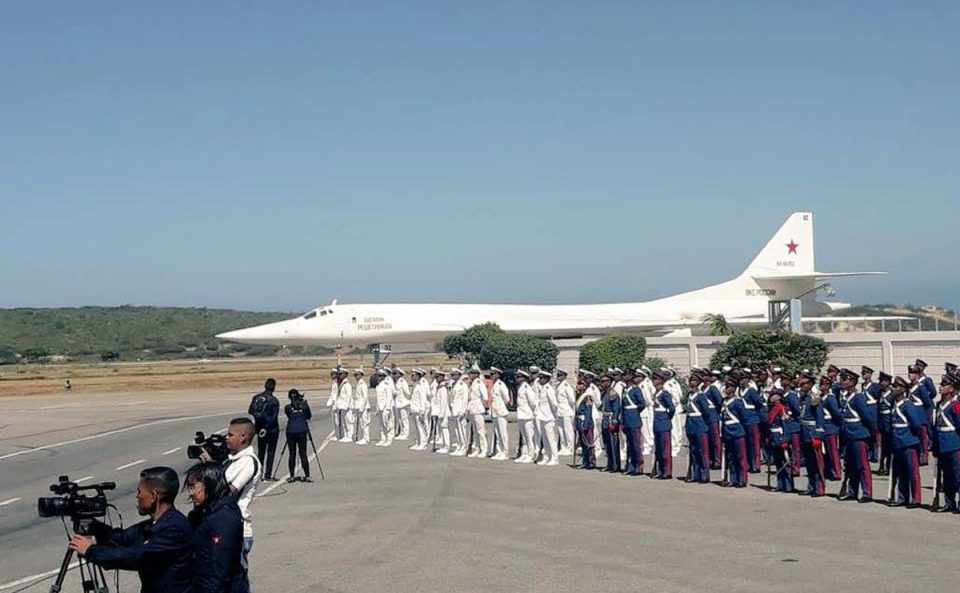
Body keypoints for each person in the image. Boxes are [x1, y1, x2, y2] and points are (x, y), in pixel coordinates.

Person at [69, 467, 192, 593]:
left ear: (154, 496)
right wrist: (93, 525)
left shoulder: (175, 529)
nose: (137, 497)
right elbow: (122, 538)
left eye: (139, 492)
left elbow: (137, 557)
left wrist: (90, 551)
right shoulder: (153, 524)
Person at [183, 462, 249, 593]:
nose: (190, 493)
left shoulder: (224, 518)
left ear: (209, 484)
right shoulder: (202, 513)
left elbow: (220, 569)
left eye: (193, 487)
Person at [223, 418, 260, 568]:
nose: (227, 438)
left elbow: (229, 492)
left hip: (237, 530)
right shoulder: (234, 460)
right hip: (226, 526)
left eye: (230, 435)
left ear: (243, 437)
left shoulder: (248, 462)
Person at [838, 368, 876, 502]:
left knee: (862, 465)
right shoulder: (847, 397)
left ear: (852, 382)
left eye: (844, 379)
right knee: (851, 465)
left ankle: (867, 493)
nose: (841, 382)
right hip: (849, 435)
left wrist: (871, 435)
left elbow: (867, 417)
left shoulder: (858, 397)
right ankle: (852, 491)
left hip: (859, 435)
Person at [890, 376, 926, 507]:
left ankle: (916, 499)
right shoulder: (894, 404)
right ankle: (902, 498)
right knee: (900, 472)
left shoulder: (908, 404)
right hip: (897, 442)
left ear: (903, 389)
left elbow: (916, 424)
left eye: (896, 386)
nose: (894, 388)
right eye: (893, 386)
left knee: (912, 472)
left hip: (908, 442)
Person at [932, 372, 960, 513]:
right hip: (942, 445)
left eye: (944, 384)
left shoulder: (956, 405)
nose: (941, 387)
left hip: (954, 445)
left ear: (952, 388)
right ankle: (949, 503)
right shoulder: (939, 405)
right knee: (947, 477)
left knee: (958, 475)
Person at [248, 378, 280, 481]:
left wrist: (259, 421)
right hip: (271, 430)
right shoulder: (274, 400)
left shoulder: (256, 397)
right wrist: (266, 427)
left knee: (261, 451)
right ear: (274, 387)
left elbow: (250, 410)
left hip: (260, 428)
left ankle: (259, 474)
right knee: (270, 452)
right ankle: (267, 475)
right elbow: (273, 418)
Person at [720, 379, 748, 488]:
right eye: (726, 387)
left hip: (737, 431)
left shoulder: (738, 402)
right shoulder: (724, 401)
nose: (726, 389)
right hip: (727, 431)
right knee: (730, 457)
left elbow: (744, 417)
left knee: (740, 456)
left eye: (729, 387)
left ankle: (742, 479)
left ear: (734, 389)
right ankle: (733, 478)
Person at [766, 389, 794, 493]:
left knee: (785, 462)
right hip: (774, 437)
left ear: (779, 397)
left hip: (781, 436)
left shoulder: (782, 409)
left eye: (773, 395)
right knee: (778, 462)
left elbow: (786, 425)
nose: (771, 397)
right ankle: (780, 484)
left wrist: (785, 440)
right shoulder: (772, 409)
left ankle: (788, 485)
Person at [685, 374, 710, 483]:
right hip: (691, 426)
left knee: (702, 452)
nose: (692, 383)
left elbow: (706, 412)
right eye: (691, 380)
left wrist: (702, 424)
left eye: (694, 381)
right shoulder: (689, 395)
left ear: (699, 383)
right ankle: (695, 474)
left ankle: (704, 475)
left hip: (699, 425)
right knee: (693, 452)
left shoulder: (701, 396)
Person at [620, 370, 647, 476]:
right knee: (629, 445)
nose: (625, 377)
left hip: (634, 420)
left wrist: (634, 412)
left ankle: (638, 467)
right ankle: (630, 466)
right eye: (624, 375)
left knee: (636, 445)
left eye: (627, 375)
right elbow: (622, 406)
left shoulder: (636, 389)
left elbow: (642, 404)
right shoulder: (624, 389)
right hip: (626, 419)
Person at [284, 389, 313, 482]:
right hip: (301, 430)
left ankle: (292, 476)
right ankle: (307, 475)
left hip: (291, 431)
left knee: (292, 454)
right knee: (303, 453)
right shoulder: (304, 405)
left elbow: (289, 416)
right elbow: (308, 416)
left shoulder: (288, 407)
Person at [738, 371, 764, 473]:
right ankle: (748, 464)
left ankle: (756, 465)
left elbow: (759, 403)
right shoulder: (739, 391)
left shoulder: (751, 390)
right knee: (746, 443)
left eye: (743, 379)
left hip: (752, 419)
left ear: (748, 380)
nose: (741, 381)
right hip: (743, 420)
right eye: (740, 379)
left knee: (754, 443)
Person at [819, 374, 844, 481]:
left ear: (828, 386)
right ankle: (828, 471)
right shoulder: (821, 397)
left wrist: (836, 425)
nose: (821, 386)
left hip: (830, 426)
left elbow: (836, 414)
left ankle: (837, 472)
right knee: (825, 452)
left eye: (823, 384)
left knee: (833, 451)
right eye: (821, 384)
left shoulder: (830, 398)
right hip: (823, 427)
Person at [652, 370, 675, 479]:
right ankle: (660, 470)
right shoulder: (655, 394)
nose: (654, 381)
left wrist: (667, 418)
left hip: (664, 423)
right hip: (657, 423)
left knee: (665, 449)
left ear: (661, 381)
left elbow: (671, 408)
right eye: (653, 379)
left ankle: (667, 471)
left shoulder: (665, 394)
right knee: (659, 449)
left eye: (656, 379)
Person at [600, 375, 622, 473]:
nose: (603, 383)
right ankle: (609, 464)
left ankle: (615, 466)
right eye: (602, 381)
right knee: (607, 444)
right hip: (605, 419)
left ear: (610, 382)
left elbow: (616, 408)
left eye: (605, 381)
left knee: (613, 444)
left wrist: (614, 420)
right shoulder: (605, 393)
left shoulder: (613, 393)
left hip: (610, 419)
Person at [514, 370, 537, 463]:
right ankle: (524, 454)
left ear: (524, 378)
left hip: (527, 415)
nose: (517, 378)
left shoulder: (527, 387)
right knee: (524, 437)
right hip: (521, 415)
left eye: (519, 377)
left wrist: (532, 413)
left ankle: (531, 455)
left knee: (529, 436)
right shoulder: (521, 387)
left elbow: (533, 402)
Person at [488, 367, 511, 460]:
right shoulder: (494, 385)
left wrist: (501, 406)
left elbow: (507, 399)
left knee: (503, 433)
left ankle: (505, 452)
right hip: (495, 412)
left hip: (500, 412)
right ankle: (499, 451)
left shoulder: (501, 384)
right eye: (491, 374)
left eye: (493, 374)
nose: (491, 376)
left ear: (498, 374)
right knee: (497, 433)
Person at [466, 366, 489, 458]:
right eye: (470, 373)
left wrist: (484, 406)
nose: (470, 375)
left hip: (478, 408)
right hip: (472, 409)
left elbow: (485, 396)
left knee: (481, 430)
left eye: (472, 373)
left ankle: (484, 449)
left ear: (476, 374)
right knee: (475, 431)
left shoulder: (479, 383)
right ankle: (477, 449)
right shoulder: (472, 383)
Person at [574, 380, 596, 469]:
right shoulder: (578, 396)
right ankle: (585, 461)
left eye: (581, 384)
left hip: (586, 422)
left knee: (589, 443)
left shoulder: (587, 396)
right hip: (579, 421)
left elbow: (588, 411)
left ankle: (591, 462)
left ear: (585, 386)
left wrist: (586, 424)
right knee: (583, 444)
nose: (578, 386)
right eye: (578, 384)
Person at [876, 372, 895, 475]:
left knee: (889, 446)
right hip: (882, 421)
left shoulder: (892, 393)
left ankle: (888, 466)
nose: (881, 383)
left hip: (889, 421)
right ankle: (881, 466)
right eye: (880, 381)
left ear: (888, 382)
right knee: (883, 446)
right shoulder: (880, 392)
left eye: (883, 381)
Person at [555, 370, 576, 456]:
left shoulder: (567, 386)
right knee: (561, 430)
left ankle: (570, 448)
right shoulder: (558, 386)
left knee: (568, 431)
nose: (558, 377)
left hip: (566, 411)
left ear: (564, 376)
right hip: (560, 411)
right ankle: (563, 447)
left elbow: (572, 400)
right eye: (557, 375)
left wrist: (569, 409)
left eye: (560, 375)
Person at [449, 368, 469, 456]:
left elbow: (465, 399)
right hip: (455, 410)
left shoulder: (462, 385)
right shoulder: (454, 384)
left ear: (459, 375)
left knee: (462, 430)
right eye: (451, 375)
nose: (452, 376)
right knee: (457, 430)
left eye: (454, 375)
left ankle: (464, 447)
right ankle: (459, 446)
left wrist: (463, 410)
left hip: (460, 410)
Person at [409, 368, 430, 450]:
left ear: (418, 376)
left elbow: (422, 399)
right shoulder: (416, 385)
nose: (412, 376)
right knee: (417, 428)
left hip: (419, 410)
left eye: (413, 375)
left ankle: (423, 443)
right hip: (414, 409)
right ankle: (418, 442)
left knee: (421, 428)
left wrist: (422, 411)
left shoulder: (421, 386)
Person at [432, 370, 451, 453]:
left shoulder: (443, 388)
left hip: (443, 412)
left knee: (444, 429)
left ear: (442, 377)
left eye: (438, 377)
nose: (436, 378)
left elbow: (443, 402)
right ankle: (444, 445)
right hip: (439, 412)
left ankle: (447, 446)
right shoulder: (439, 387)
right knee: (443, 429)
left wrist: (441, 414)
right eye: (436, 377)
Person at [374, 369, 394, 447]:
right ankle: (383, 439)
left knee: (387, 424)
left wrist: (388, 408)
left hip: (386, 407)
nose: (379, 377)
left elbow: (389, 397)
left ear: (384, 376)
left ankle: (389, 439)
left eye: (381, 376)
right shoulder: (378, 385)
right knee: (381, 424)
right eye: (378, 375)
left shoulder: (387, 385)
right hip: (380, 407)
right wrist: (377, 408)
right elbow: (378, 398)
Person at [351, 368, 371, 445]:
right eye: (355, 375)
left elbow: (365, 397)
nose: (356, 376)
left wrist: (362, 407)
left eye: (357, 374)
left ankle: (366, 438)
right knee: (362, 423)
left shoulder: (363, 384)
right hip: (359, 406)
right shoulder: (358, 383)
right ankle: (364, 437)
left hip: (363, 407)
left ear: (361, 375)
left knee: (364, 423)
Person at [335, 368, 354, 443]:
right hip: (342, 406)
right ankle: (346, 435)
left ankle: (350, 436)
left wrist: (346, 406)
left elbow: (349, 396)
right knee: (344, 422)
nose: (339, 375)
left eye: (341, 374)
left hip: (347, 406)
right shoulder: (342, 383)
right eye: (339, 374)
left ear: (346, 374)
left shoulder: (347, 385)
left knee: (348, 421)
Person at [393, 368, 411, 440]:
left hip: (403, 403)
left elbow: (407, 392)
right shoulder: (397, 382)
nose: (394, 375)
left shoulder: (403, 382)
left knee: (404, 419)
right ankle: (402, 433)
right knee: (400, 419)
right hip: (398, 403)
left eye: (395, 373)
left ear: (400, 374)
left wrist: (409, 402)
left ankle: (406, 434)